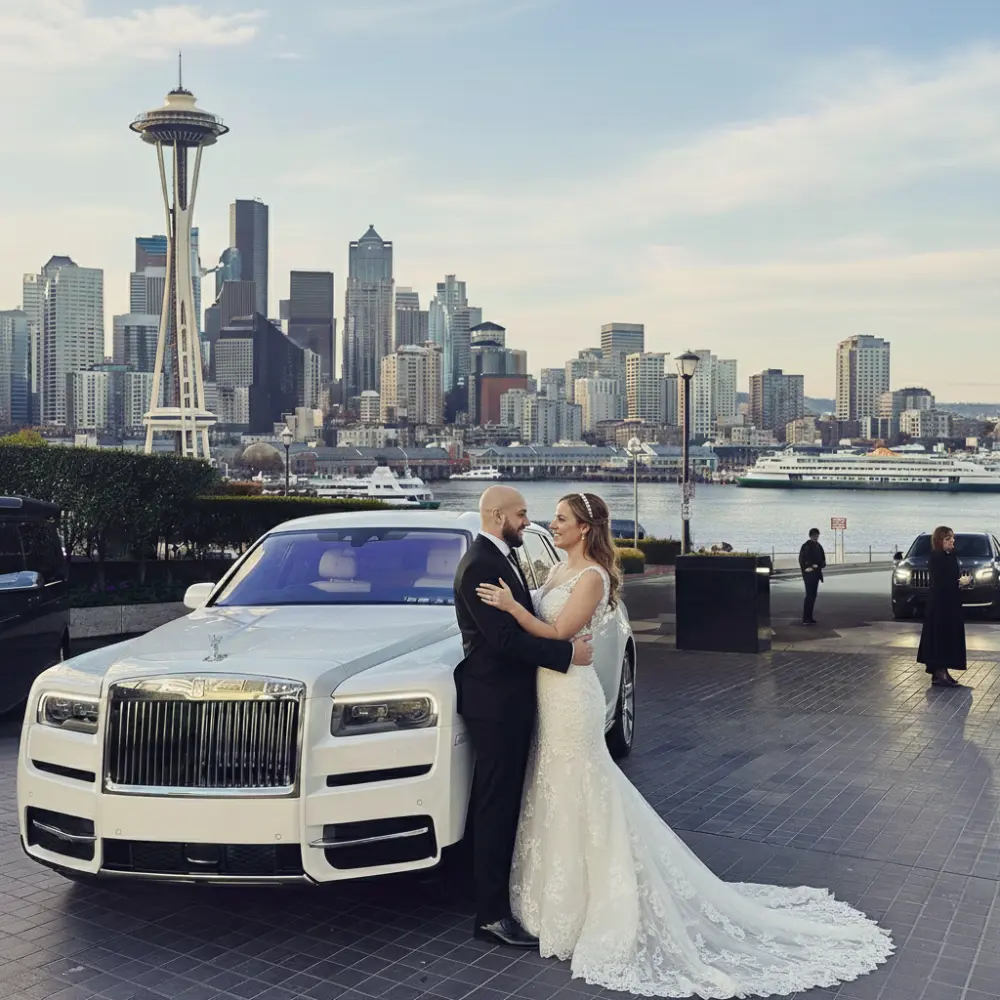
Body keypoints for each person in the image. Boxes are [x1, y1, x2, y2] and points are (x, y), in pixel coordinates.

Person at [476, 491, 893, 997]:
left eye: (561, 519)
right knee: (553, 790)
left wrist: (510, 608)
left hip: (572, 697)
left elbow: (560, 631)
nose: (551, 525)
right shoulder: (555, 571)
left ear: (585, 528)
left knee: (582, 787)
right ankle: (555, 900)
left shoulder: (592, 577)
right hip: (551, 692)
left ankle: (600, 904)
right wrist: (523, 607)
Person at [453, 485, 594, 948]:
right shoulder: (480, 564)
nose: (528, 522)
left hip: (507, 699)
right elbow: (504, 642)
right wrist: (566, 653)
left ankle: (494, 900)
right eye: (521, 514)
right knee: (496, 806)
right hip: (494, 703)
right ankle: (490, 915)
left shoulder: (500, 558)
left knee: (504, 802)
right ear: (497, 516)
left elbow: (522, 618)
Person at [917, 525, 970, 688]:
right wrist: (957, 582)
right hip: (940, 604)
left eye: (952, 538)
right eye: (948, 539)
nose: (952, 541)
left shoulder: (951, 555)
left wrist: (961, 581)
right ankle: (939, 672)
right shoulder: (936, 557)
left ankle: (943, 672)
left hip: (950, 602)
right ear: (940, 541)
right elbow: (939, 581)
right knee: (940, 635)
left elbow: (952, 575)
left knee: (948, 635)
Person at [798, 527, 826, 625]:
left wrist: (820, 565)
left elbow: (823, 560)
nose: (816, 537)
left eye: (817, 536)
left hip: (816, 574)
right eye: (814, 536)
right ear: (810, 536)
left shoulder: (819, 546)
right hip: (809, 574)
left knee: (813, 595)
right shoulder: (806, 546)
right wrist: (808, 567)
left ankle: (809, 617)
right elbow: (802, 560)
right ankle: (806, 618)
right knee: (810, 595)